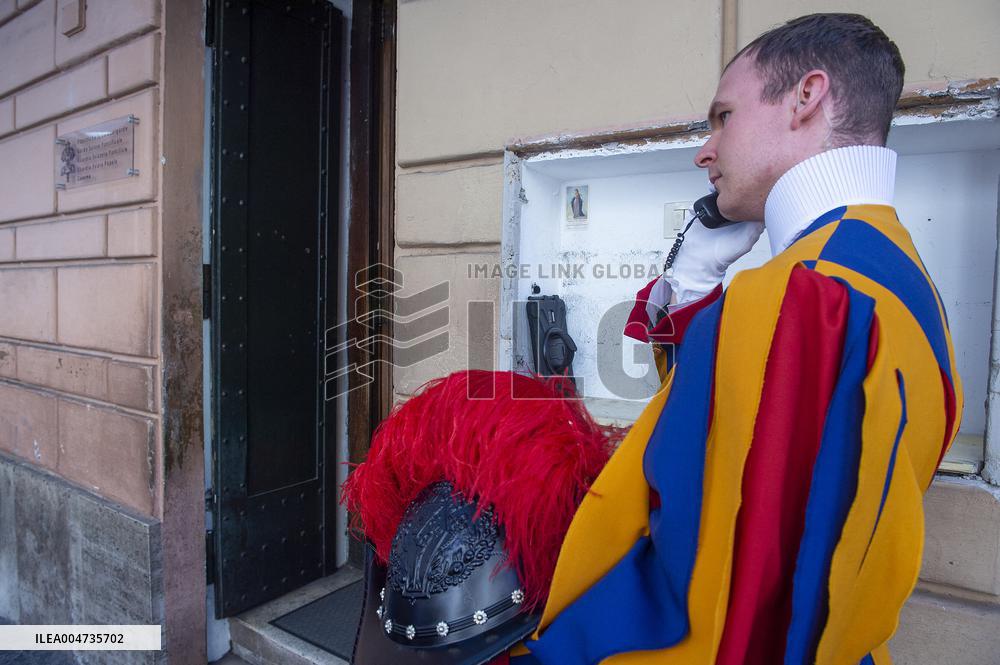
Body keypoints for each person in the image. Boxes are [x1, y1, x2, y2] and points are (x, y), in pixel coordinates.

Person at [508, 13, 963, 665]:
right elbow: (724, 443)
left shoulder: (807, 299)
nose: (705, 150)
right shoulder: (898, 274)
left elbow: (727, 611)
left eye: (723, 117)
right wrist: (694, 283)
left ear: (807, 98)